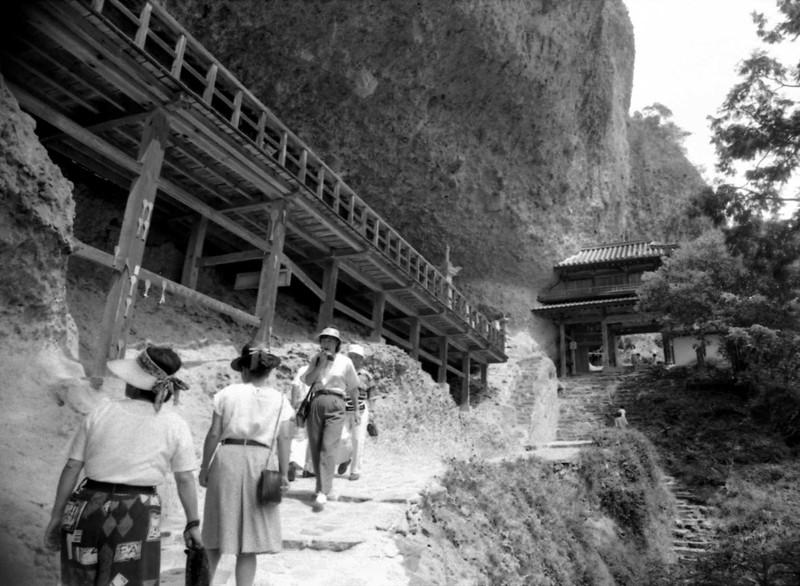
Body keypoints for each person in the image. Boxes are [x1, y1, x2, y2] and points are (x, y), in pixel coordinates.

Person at [43, 345, 202, 585]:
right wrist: (192, 523)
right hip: (138, 511)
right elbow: (185, 479)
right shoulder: (174, 424)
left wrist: (57, 516)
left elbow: (72, 467)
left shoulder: (101, 412)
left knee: (79, 580)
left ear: (133, 384)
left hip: (87, 507)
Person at [199, 343, 294, 586]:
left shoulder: (227, 393)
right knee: (248, 538)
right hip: (260, 460)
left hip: (227, 457)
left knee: (216, 528)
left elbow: (213, 433)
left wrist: (204, 466)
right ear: (269, 372)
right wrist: (284, 473)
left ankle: (212, 581)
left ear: (244, 370)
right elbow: (284, 438)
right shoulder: (281, 400)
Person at [301, 326, 360, 510]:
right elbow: (308, 380)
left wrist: (357, 409)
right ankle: (325, 487)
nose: (326, 343)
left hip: (337, 401)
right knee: (317, 446)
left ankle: (322, 490)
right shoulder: (315, 358)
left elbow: (353, 387)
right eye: (324, 340)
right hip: (317, 401)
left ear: (337, 343)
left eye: (330, 340)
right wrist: (319, 365)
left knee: (329, 446)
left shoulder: (345, 362)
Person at [337, 343, 375, 481]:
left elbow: (372, 394)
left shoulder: (366, 375)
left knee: (358, 440)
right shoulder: (343, 373)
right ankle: (346, 459)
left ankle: (355, 471)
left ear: (361, 359)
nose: (353, 359)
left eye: (356, 357)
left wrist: (373, 413)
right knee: (341, 438)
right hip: (344, 409)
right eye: (351, 356)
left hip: (361, 409)